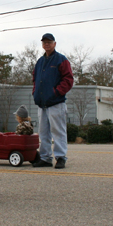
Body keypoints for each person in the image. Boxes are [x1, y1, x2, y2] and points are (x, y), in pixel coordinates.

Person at [32, 33, 73, 169]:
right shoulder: (40, 62)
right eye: (44, 42)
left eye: (49, 42)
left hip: (56, 103)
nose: (46, 44)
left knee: (58, 132)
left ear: (54, 44)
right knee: (43, 132)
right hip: (42, 104)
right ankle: (45, 158)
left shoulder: (61, 60)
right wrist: (35, 93)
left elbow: (68, 80)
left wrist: (56, 92)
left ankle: (61, 157)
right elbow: (35, 80)